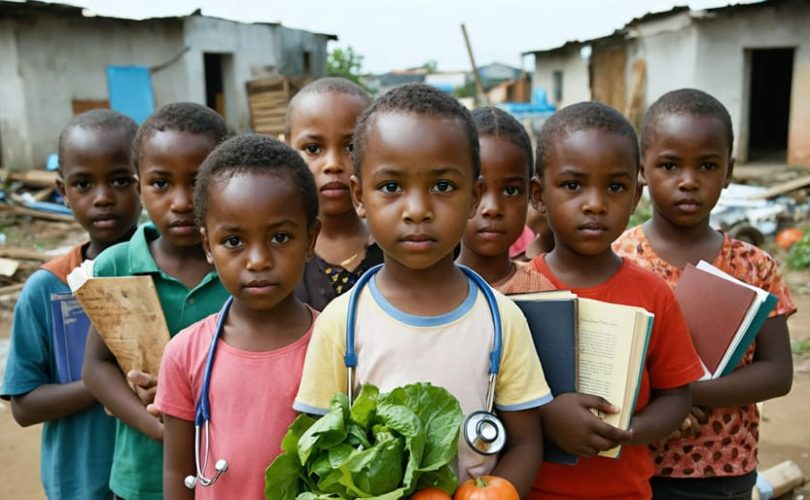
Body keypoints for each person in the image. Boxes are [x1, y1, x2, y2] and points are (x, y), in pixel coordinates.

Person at [294, 84, 552, 496]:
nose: (417, 209)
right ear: (359, 196)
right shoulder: (341, 323)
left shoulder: (501, 319)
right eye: (392, 187)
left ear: (473, 196)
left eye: (444, 187)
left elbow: (525, 442)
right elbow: (317, 450)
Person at [613, 88, 795, 500]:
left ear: (728, 172)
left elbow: (778, 372)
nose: (689, 181)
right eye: (670, 165)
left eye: (707, 165)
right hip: (635, 464)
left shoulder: (753, 266)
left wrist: (681, 395)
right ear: (643, 170)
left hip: (724, 469)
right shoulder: (618, 259)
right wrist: (657, 404)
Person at [526, 101, 705, 499]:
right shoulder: (517, 290)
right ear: (538, 195)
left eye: (615, 187)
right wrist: (546, 415)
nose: (594, 203)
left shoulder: (653, 294)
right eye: (573, 185)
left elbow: (677, 396)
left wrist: (627, 431)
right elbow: (493, 396)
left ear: (637, 194)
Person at [155, 135, 321, 499]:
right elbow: (176, 470)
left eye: (280, 237)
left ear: (310, 240)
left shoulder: (334, 343)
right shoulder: (185, 353)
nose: (258, 260)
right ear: (207, 248)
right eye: (233, 242)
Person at [82, 102, 231, 500]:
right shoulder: (116, 265)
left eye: (198, 182)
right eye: (161, 183)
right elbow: (96, 369)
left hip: (227, 471)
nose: (181, 201)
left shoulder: (242, 267)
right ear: (139, 187)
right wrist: (159, 427)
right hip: (142, 475)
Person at [1, 109, 141, 500]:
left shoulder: (171, 275)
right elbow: (25, 406)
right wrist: (106, 384)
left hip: (156, 482)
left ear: (145, 181)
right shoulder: (47, 289)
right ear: (62, 192)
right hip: (81, 487)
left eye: (119, 180)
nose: (103, 197)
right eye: (83, 184)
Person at [286, 77, 383, 311]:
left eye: (350, 147)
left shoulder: (397, 248)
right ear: (287, 149)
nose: (333, 164)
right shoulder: (278, 253)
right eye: (313, 149)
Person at [457, 106, 554, 294]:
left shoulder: (543, 294)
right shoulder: (426, 295)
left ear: (532, 194)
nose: (492, 208)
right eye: (475, 190)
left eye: (510, 190)